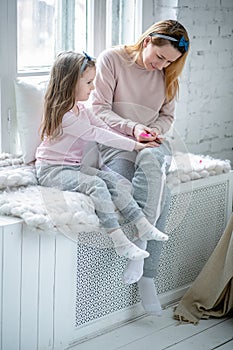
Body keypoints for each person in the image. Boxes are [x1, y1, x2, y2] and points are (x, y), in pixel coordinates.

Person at [91, 19, 190, 315]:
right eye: (160, 57)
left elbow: (166, 117)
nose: (162, 66)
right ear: (147, 41)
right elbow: (98, 110)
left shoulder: (169, 74)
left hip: (153, 145)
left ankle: (142, 262)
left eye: (170, 61)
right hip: (116, 143)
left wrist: (153, 132)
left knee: (151, 165)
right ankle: (147, 270)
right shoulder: (112, 60)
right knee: (156, 194)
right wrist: (133, 129)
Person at [35, 51, 169, 263]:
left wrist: (137, 137)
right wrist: (135, 146)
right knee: (96, 184)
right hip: (51, 170)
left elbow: (103, 126)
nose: (93, 88)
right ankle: (120, 242)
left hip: (73, 167)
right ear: (70, 83)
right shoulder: (65, 116)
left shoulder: (81, 108)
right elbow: (95, 134)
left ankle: (143, 225)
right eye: (88, 82)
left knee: (112, 180)